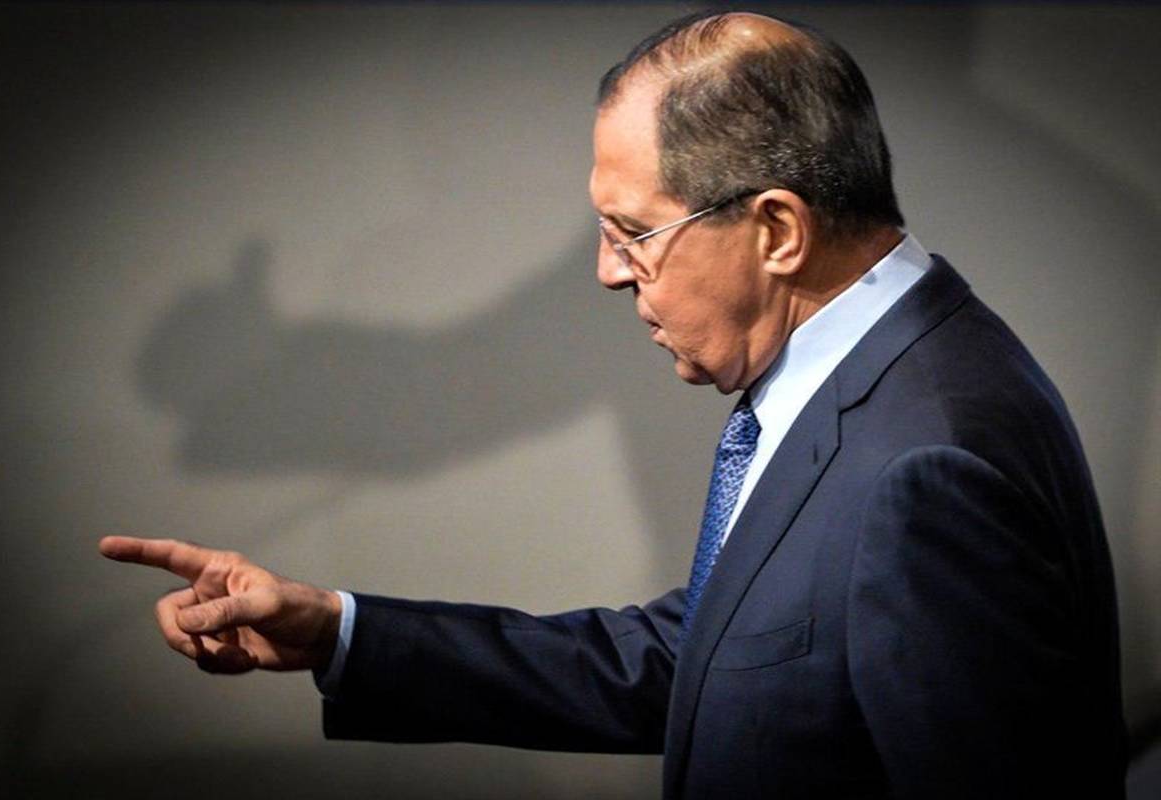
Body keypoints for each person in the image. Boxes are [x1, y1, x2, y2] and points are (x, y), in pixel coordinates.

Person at [100, 11, 1127, 798]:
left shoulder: (927, 463)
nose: (605, 271)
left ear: (777, 231)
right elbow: (702, 655)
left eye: (633, 233)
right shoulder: (885, 366)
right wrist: (339, 632)